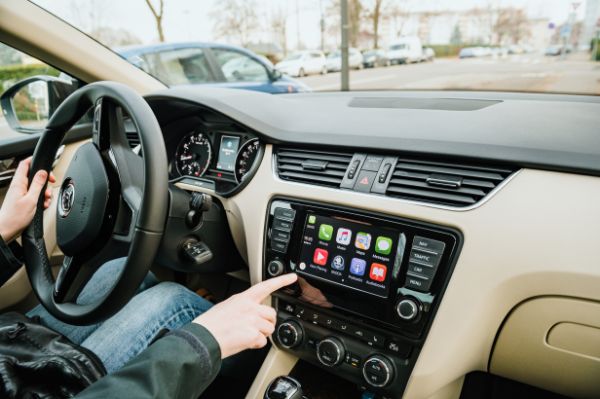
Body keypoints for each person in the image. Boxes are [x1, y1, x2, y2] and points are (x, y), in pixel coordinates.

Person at [0, 158, 297, 398]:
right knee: (175, 301)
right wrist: (201, 340)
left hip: (13, 350)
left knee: (116, 271)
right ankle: (276, 364)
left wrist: (2, 230)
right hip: (48, 387)